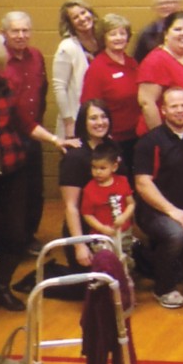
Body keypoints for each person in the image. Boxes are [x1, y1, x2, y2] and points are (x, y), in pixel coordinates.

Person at [0, 35, 74, 313]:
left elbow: (26, 123)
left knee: (15, 234)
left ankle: (3, 288)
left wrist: (55, 140)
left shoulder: (8, 88)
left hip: (13, 173)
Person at [133, 87, 183, 308]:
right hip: (154, 211)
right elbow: (142, 183)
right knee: (176, 233)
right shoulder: (150, 142)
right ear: (163, 110)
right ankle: (163, 289)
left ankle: (145, 259)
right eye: (174, 106)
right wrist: (172, 211)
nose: (180, 110)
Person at [0, 11, 48, 251]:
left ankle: (29, 236)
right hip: (8, 136)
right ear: (4, 33)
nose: (20, 35)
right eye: (15, 31)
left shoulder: (37, 56)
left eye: (25, 30)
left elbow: (43, 92)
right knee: (13, 192)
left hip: (33, 134)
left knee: (34, 189)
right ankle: (13, 240)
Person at [60, 100, 121, 268]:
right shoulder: (75, 156)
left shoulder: (113, 148)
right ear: (83, 122)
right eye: (93, 118)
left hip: (110, 228)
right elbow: (71, 206)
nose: (100, 122)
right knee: (89, 289)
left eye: (104, 117)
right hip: (84, 231)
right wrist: (80, 245)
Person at [80, 13, 142, 166]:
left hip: (136, 137)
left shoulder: (132, 63)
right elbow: (89, 106)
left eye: (122, 33)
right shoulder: (98, 68)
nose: (118, 37)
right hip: (113, 141)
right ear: (104, 38)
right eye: (113, 34)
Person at [137, 11, 183, 132]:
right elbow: (147, 103)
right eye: (177, 29)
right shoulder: (155, 61)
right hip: (164, 138)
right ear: (166, 34)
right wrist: (162, 140)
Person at [52, 0, 99, 140]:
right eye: (75, 17)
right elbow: (59, 87)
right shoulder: (67, 47)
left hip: (98, 117)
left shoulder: (102, 40)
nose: (82, 18)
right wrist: (69, 122)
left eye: (83, 12)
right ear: (70, 24)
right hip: (76, 118)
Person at [80, 145, 135, 248]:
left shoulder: (123, 181)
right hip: (101, 236)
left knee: (125, 259)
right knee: (105, 260)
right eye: (94, 167)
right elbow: (87, 214)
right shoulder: (89, 189)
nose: (98, 172)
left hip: (124, 232)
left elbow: (131, 204)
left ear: (114, 167)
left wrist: (124, 217)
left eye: (102, 168)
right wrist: (102, 228)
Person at [133, 0, 183, 64]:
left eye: (171, 2)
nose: (166, 6)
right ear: (155, 8)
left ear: (180, 6)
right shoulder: (146, 34)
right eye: (161, 3)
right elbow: (138, 62)